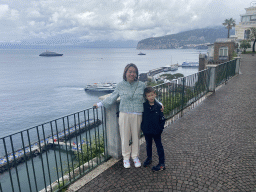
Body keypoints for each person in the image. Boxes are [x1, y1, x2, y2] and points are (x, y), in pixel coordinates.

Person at [93, 63, 145, 168]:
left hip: (137, 114)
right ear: (125, 73)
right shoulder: (120, 85)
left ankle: (135, 156)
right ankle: (126, 158)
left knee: (136, 137)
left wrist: (159, 104)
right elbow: (112, 97)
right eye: (130, 71)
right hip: (124, 114)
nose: (132, 74)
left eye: (134, 72)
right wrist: (99, 104)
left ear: (136, 74)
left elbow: (149, 96)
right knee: (125, 137)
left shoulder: (141, 85)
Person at [141, 86, 166, 172]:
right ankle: (149, 158)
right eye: (149, 96)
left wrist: (160, 129)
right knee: (148, 145)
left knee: (159, 146)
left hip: (156, 131)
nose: (151, 97)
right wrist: (143, 128)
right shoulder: (144, 106)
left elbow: (162, 119)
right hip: (147, 130)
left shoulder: (159, 106)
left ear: (155, 94)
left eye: (152, 95)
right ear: (146, 97)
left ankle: (162, 164)